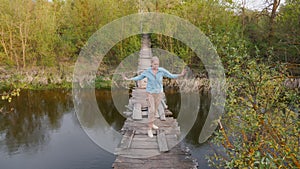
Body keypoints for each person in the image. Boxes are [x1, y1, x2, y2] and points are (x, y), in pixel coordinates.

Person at [124, 56, 186, 137]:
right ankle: (149, 129)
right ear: (151, 64)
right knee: (152, 110)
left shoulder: (161, 70)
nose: (156, 66)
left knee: (155, 111)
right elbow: (139, 77)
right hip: (150, 93)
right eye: (154, 64)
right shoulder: (147, 72)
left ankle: (152, 124)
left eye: (157, 64)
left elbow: (171, 75)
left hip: (159, 93)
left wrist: (181, 74)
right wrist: (128, 79)